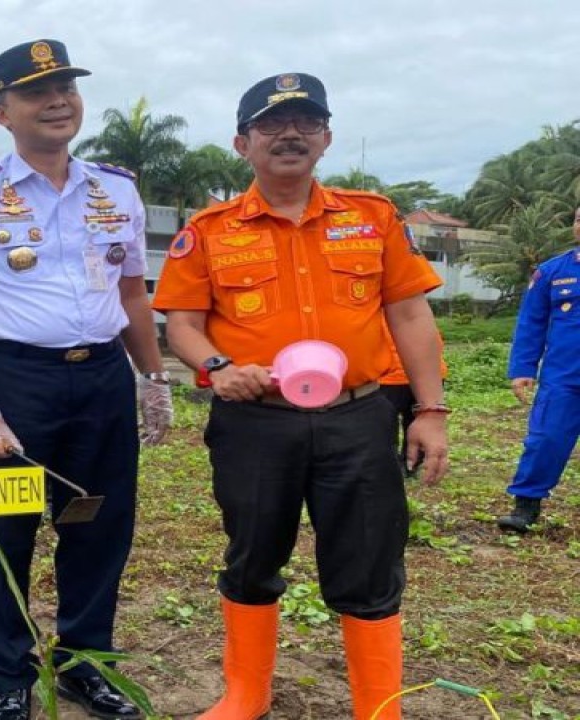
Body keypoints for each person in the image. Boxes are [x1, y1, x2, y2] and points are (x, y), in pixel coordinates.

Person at [152, 73, 448, 720]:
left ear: (326, 138)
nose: (290, 135)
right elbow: (181, 323)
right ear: (242, 143)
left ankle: (379, 707)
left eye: (306, 123)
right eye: (270, 125)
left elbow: (411, 317)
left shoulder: (371, 218)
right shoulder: (208, 231)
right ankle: (245, 695)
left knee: (370, 560)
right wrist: (217, 368)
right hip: (256, 423)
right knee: (253, 552)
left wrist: (430, 410)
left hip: (360, 416)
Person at [0, 39, 173, 720]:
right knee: (4, 532)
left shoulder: (115, 187)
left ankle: (84, 663)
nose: (58, 100)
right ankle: (8, 674)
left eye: (66, 86)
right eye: (37, 91)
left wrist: (151, 379)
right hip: (15, 379)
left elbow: (131, 296)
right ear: (1, 110)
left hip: (99, 379)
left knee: (99, 526)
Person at [499, 205, 580, 532]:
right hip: (563, 379)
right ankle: (526, 506)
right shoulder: (551, 273)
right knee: (546, 439)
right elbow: (531, 324)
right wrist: (523, 369)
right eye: (578, 219)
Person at [378, 331, 448, 477]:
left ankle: (400, 465)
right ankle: (410, 465)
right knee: (415, 421)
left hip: (391, 379)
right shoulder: (416, 317)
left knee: (386, 425)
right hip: (423, 377)